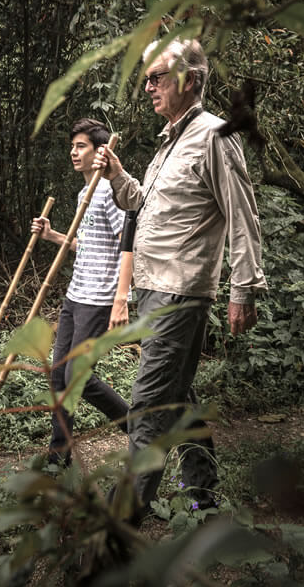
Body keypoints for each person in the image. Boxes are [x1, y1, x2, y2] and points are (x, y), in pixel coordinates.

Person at [92, 38, 268, 517]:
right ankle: (204, 494)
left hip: (180, 293)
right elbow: (143, 205)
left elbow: (242, 215)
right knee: (179, 397)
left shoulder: (215, 135)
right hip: (152, 288)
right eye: (145, 78)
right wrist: (118, 176)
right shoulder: (169, 140)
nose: (147, 87)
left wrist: (244, 288)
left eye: (157, 77)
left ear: (189, 80)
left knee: (148, 408)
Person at [31, 118, 133, 467]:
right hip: (76, 295)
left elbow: (128, 245)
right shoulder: (82, 193)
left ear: (99, 151)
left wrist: (122, 296)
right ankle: (59, 455)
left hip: (99, 298)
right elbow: (87, 245)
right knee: (60, 374)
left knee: (78, 377)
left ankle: (136, 426)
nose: (73, 153)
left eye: (81, 146)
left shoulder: (108, 192)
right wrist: (53, 236)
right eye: (72, 146)